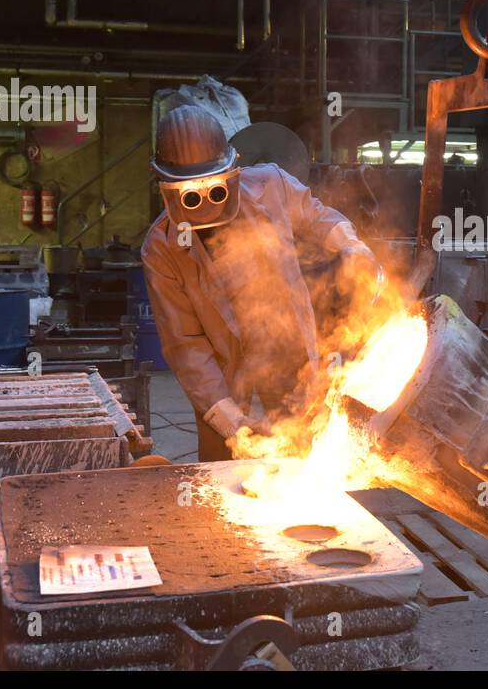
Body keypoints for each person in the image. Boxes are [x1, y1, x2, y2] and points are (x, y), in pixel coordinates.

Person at [141, 103, 382, 461]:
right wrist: (231, 422)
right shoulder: (161, 248)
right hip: (221, 373)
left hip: (286, 350)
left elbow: (318, 217)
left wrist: (350, 244)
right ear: (166, 187)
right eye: (190, 194)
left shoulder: (272, 186)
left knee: (301, 451)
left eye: (215, 188)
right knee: (222, 468)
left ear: (233, 169)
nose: (205, 202)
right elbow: (186, 344)